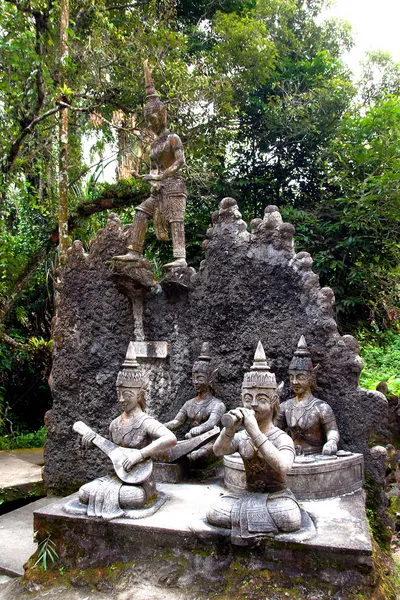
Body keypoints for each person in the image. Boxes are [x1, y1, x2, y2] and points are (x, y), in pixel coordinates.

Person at [206, 341, 301, 544]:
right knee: (215, 511)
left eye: (262, 399)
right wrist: (230, 429)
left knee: (290, 517)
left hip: (277, 497)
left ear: (274, 401)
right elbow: (218, 450)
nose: (254, 404)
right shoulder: (242, 436)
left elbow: (283, 466)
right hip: (247, 495)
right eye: (248, 398)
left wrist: (255, 432)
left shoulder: (281, 438)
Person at [73, 343, 176, 519]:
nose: (121, 399)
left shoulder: (145, 422)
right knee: (84, 493)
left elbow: (170, 438)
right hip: (118, 477)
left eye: (127, 394)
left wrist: (140, 455)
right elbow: (114, 452)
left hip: (141, 481)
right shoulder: (114, 424)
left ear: (139, 395)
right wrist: (90, 444)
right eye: (119, 393)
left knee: (135, 497)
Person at [115, 60, 187, 269]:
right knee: (141, 211)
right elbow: (154, 167)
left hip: (174, 186)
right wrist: (152, 180)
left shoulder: (172, 138)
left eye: (153, 117)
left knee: (176, 219)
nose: (151, 123)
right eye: (148, 119)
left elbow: (180, 161)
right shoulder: (154, 145)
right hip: (159, 189)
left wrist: (161, 177)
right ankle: (134, 251)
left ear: (162, 116)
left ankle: (180, 257)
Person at [275, 336, 339, 455]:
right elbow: (275, 431)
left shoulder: (321, 407)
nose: (295, 382)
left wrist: (332, 442)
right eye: (291, 378)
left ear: (311, 378)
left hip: (316, 455)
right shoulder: (285, 407)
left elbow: (332, 430)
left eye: (300, 378)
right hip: (290, 455)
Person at [164, 342, 225, 466]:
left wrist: (199, 429)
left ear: (210, 379)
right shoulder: (189, 404)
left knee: (195, 457)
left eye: (200, 378)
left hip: (209, 444)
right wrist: (160, 427)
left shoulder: (217, 405)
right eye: (194, 378)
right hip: (190, 442)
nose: (196, 382)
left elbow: (211, 423)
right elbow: (177, 422)